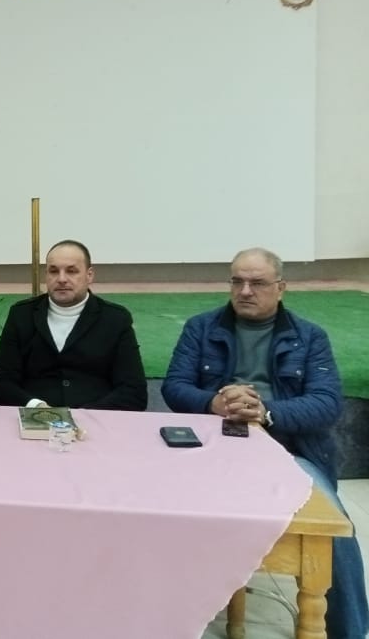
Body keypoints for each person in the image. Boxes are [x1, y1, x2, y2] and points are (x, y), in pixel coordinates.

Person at [163, 247, 369, 639]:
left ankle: (350, 632)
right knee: (154, 512)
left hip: (289, 452)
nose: (245, 291)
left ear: (281, 287)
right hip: (210, 448)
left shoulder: (309, 337)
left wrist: (265, 411)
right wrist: (213, 403)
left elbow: (326, 403)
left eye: (257, 283)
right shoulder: (200, 328)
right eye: (237, 281)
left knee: (335, 529)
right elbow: (175, 386)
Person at [0, 239, 147, 410]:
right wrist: (36, 406)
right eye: (53, 271)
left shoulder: (116, 319)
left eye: (71, 271)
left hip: (97, 419)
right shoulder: (21, 315)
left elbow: (134, 391)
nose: (61, 279)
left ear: (89, 275)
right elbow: (2, 385)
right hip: (34, 418)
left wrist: (84, 415)